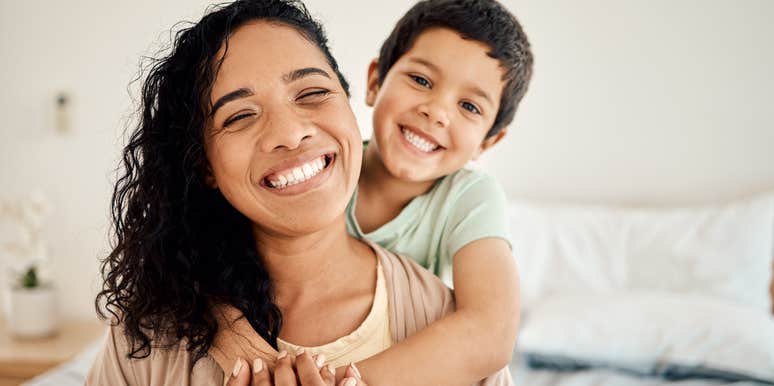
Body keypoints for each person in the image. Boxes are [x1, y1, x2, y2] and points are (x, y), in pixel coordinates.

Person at [85, 1, 512, 385]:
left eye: (312, 93)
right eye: (239, 116)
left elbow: (490, 332)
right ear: (203, 164)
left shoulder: (446, 310)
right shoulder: (148, 332)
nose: (290, 134)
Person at [219, 1, 533, 384]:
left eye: (468, 105)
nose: (436, 111)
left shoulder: (470, 197)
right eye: (421, 80)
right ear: (374, 82)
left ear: (489, 140)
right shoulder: (323, 168)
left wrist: (342, 382)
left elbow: (490, 332)